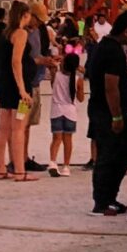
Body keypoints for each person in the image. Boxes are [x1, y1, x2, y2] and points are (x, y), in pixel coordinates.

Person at [87, 7, 127, 215]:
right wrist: (117, 115)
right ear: (126, 31)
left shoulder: (109, 47)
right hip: (107, 112)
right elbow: (111, 86)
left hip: (105, 110)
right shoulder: (112, 50)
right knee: (109, 155)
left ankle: (109, 197)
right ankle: (101, 201)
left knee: (123, 150)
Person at [0, 6, 40, 181]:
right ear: (25, 15)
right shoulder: (20, 34)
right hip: (16, 86)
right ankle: (20, 170)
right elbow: (16, 61)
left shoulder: (5, 34)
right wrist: (22, 89)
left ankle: (0, 168)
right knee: (18, 127)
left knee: (3, 127)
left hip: (4, 84)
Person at [47, 45, 83, 178]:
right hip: (70, 111)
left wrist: (58, 61)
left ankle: (52, 162)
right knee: (68, 139)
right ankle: (66, 166)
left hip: (56, 110)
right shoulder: (77, 79)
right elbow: (80, 98)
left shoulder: (56, 75)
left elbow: (52, 85)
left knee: (56, 138)